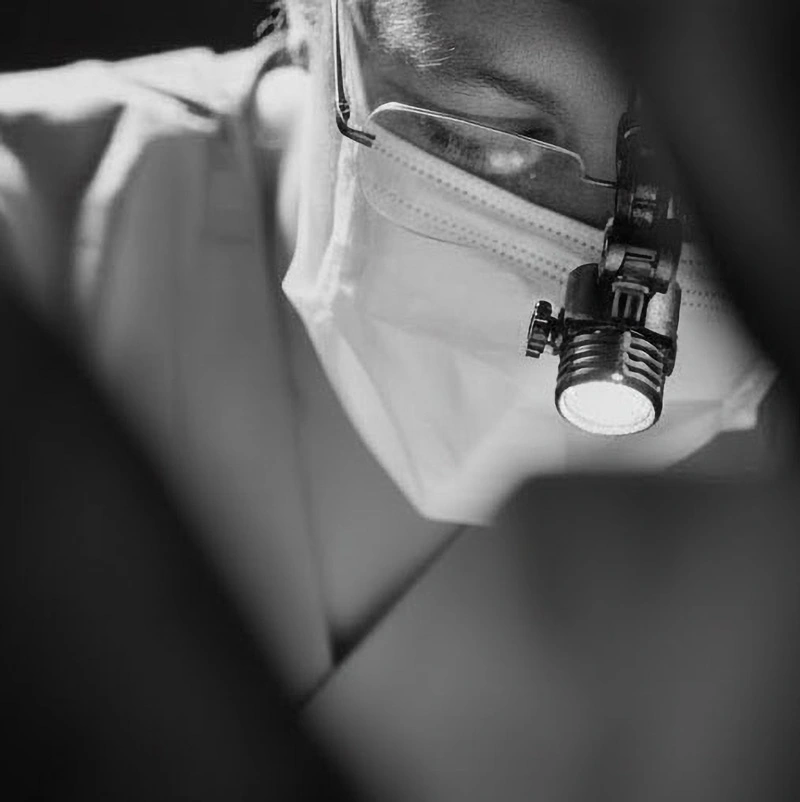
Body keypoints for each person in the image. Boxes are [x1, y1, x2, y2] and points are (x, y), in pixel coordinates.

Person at [0, 0, 796, 710]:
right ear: (320, 18)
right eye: (490, 141)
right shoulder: (35, 250)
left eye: (702, 181)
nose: (597, 257)